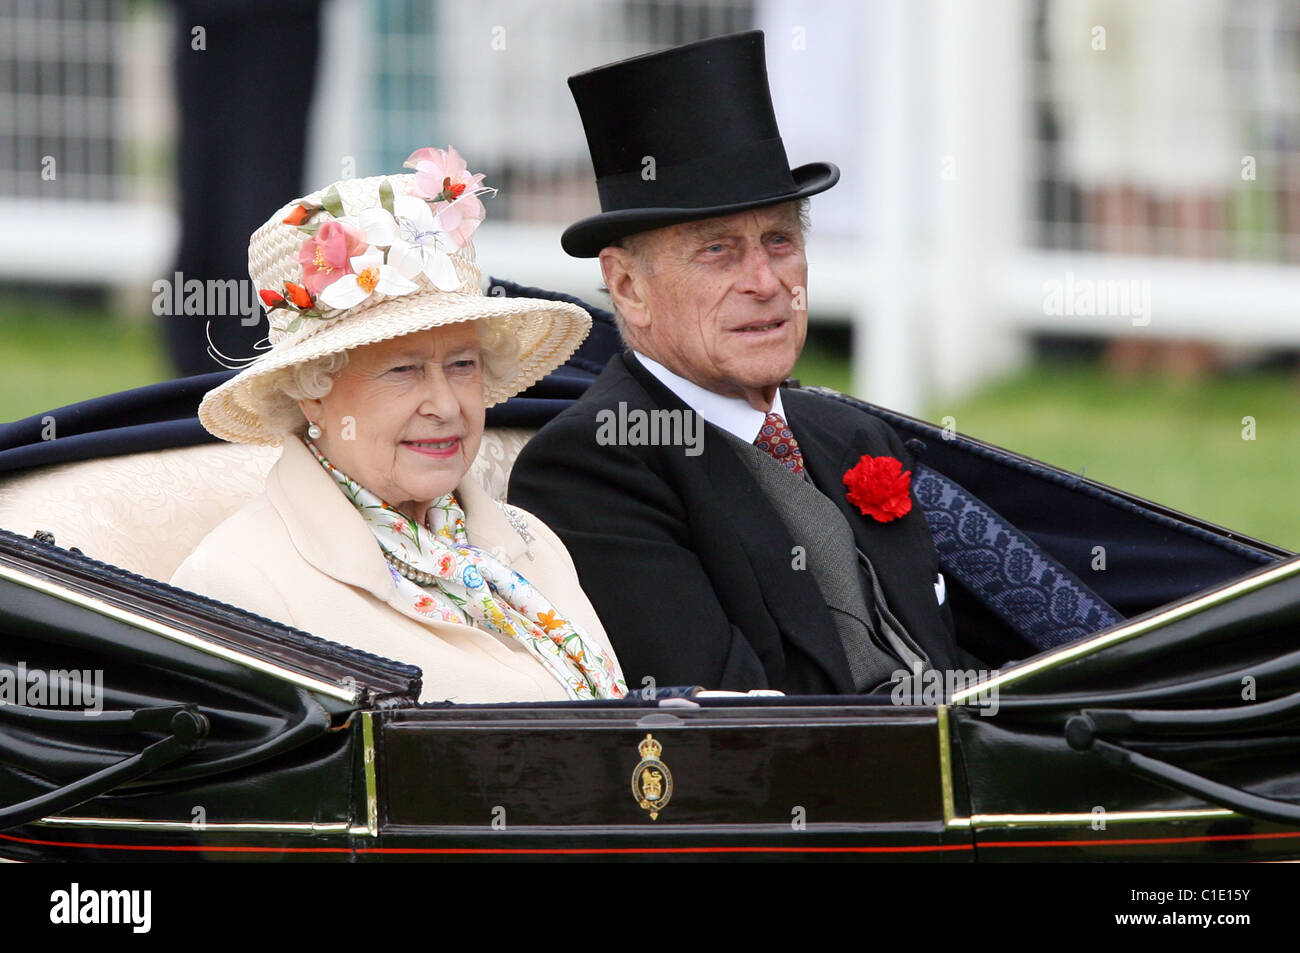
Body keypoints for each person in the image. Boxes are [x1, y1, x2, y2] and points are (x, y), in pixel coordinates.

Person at [508, 32, 968, 694]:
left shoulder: (853, 436)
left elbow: (944, 659)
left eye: (780, 240)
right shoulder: (591, 467)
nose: (765, 280)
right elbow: (724, 731)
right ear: (629, 287)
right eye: (718, 251)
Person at [172, 147, 626, 704]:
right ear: (311, 394)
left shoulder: (532, 543)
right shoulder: (240, 587)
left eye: (462, 365)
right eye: (402, 371)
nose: (445, 404)